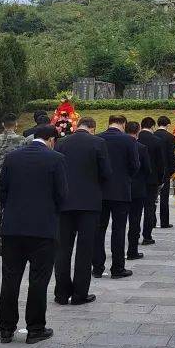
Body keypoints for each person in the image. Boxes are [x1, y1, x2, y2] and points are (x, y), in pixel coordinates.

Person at [0, 125, 70, 344]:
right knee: (38, 279)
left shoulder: (12, 157)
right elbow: (62, 194)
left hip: (13, 228)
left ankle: (6, 328)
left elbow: (2, 190)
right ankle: (35, 328)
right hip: (43, 229)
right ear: (50, 140)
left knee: (10, 278)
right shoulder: (56, 159)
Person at [53, 117, 111, 305]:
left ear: (78, 126)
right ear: (92, 128)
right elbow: (106, 172)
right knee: (84, 250)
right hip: (89, 204)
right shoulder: (98, 143)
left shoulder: (61, 142)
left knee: (62, 249)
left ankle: (61, 293)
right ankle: (80, 294)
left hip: (64, 203)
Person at [93, 116, 139, 279]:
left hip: (100, 191)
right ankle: (117, 268)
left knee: (98, 230)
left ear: (108, 122)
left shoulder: (97, 138)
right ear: (124, 124)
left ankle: (97, 267)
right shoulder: (129, 140)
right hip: (121, 191)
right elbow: (135, 165)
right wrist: (126, 178)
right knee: (118, 230)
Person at [0, 115, 27, 256]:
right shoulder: (22, 141)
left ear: (3, 124)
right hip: (16, 179)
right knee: (14, 211)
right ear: (16, 124)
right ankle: (11, 243)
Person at [124, 121, 152, 261]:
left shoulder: (117, 145)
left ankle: (117, 251)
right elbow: (147, 169)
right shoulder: (141, 147)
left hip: (120, 189)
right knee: (135, 221)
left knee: (119, 223)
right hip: (137, 189)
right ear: (138, 131)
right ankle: (132, 250)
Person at [137, 117, 164, 245]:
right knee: (149, 208)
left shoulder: (134, 139)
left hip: (135, 180)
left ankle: (134, 235)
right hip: (152, 181)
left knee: (135, 210)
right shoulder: (156, 141)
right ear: (153, 126)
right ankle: (147, 236)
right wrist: (161, 180)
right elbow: (160, 163)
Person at [154, 116, 175, 228]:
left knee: (152, 197)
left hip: (153, 170)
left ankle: (151, 220)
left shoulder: (153, 135)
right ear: (167, 125)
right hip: (165, 170)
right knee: (164, 197)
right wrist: (172, 170)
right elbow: (171, 155)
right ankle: (164, 222)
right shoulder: (170, 137)